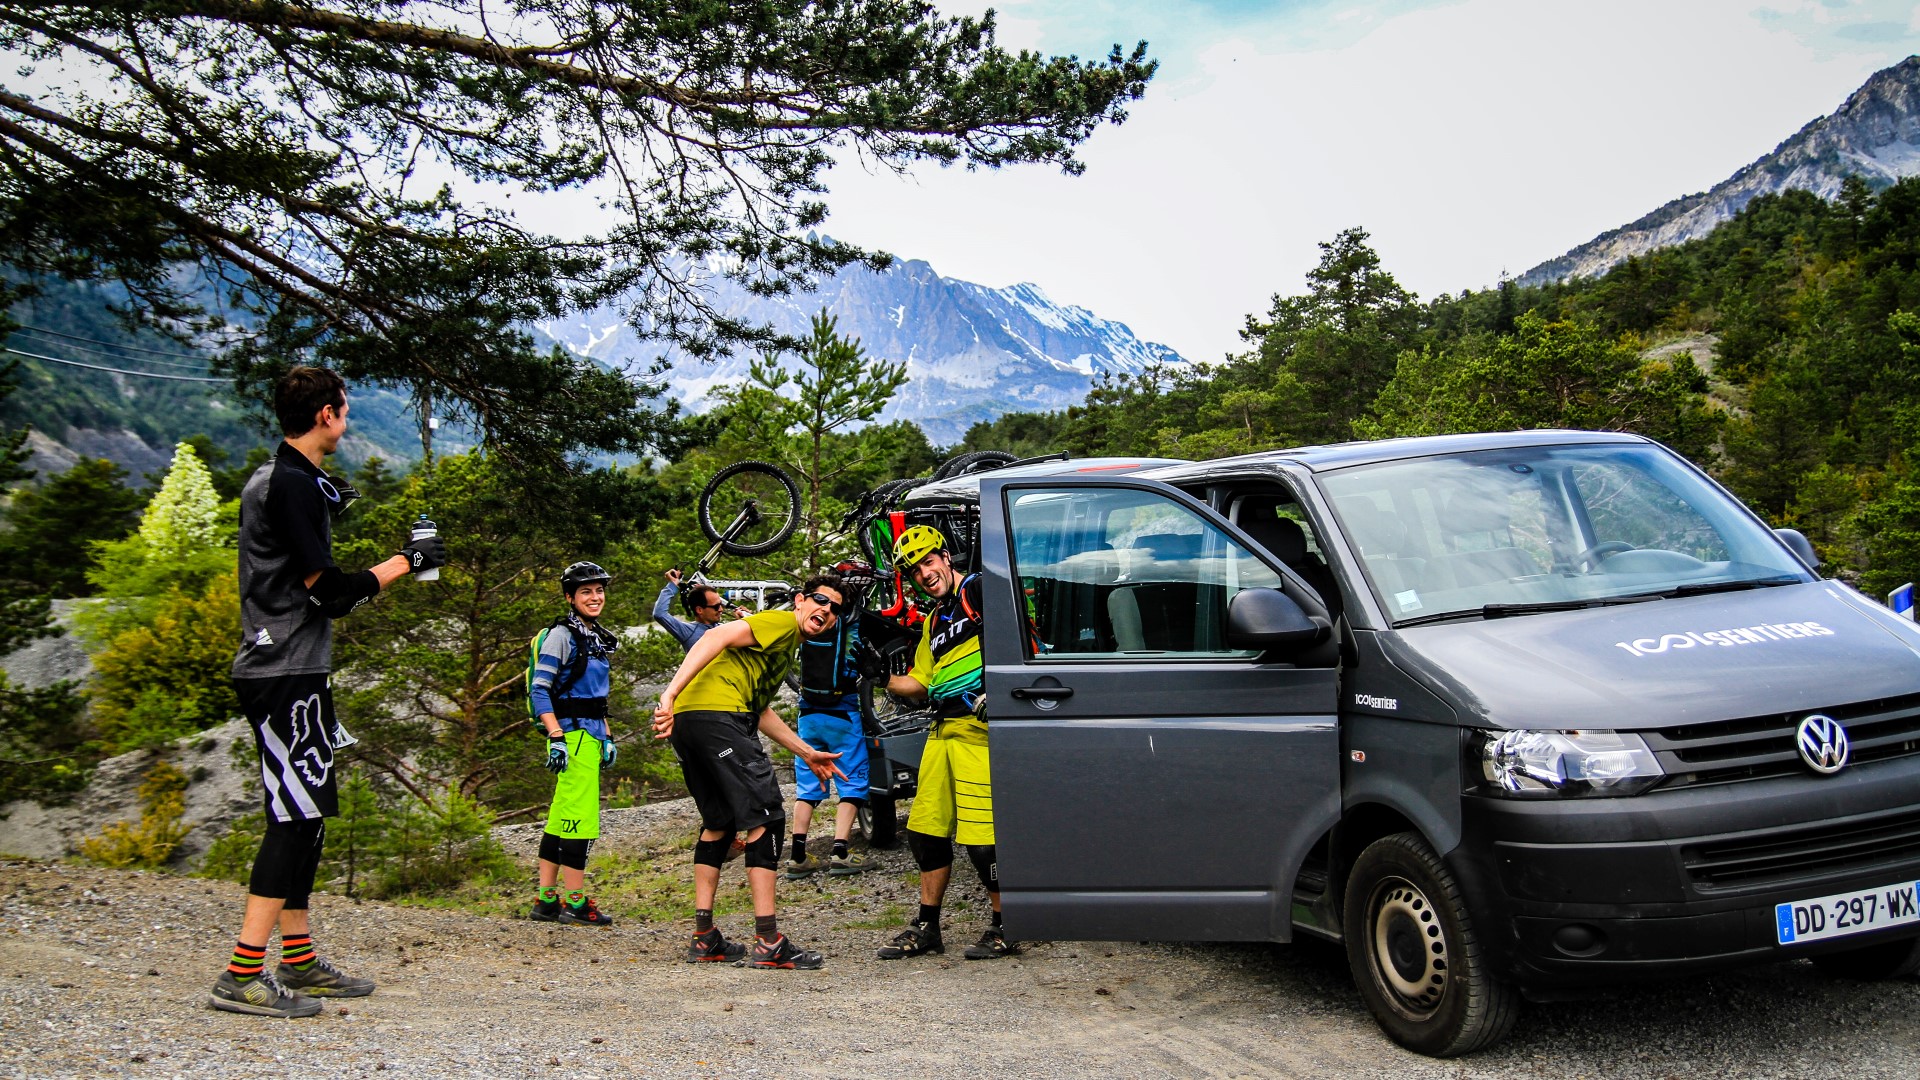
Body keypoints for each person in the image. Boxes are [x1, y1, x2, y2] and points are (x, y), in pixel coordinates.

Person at [212, 365, 447, 1018]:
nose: (346, 420)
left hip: (295, 669)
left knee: (307, 816)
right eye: (344, 409)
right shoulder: (289, 484)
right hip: (279, 670)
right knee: (292, 818)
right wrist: (408, 563)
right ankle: (240, 975)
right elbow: (331, 594)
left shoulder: (289, 478)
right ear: (326, 415)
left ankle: (299, 959)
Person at [652, 574, 851, 970]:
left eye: (835, 609)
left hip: (695, 723)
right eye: (819, 600)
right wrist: (668, 694)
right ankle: (768, 940)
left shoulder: (781, 647)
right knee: (767, 816)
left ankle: (705, 937)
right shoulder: (778, 622)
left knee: (720, 822)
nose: (826, 611)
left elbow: (759, 710)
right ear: (799, 601)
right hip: (716, 717)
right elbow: (714, 637)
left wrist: (807, 752)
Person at [877, 525, 1015, 962]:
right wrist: (880, 677)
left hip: (980, 732)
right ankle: (927, 928)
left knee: (982, 840)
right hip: (942, 730)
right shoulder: (934, 621)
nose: (924, 573)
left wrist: (1001, 687)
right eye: (915, 571)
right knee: (924, 833)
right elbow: (919, 682)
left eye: (928, 562)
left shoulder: (978, 588)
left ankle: (1005, 926)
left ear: (945, 558)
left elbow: (1017, 628)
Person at [783, 583, 903, 879]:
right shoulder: (853, 620)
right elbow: (894, 632)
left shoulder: (808, 619)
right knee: (852, 783)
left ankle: (798, 856)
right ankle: (840, 852)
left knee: (808, 786)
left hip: (808, 715)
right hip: (843, 715)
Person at [527, 561, 622, 927]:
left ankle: (547, 900)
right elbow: (541, 690)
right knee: (579, 823)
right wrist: (556, 738)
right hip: (572, 738)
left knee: (559, 819)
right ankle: (576, 902)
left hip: (590, 735)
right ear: (570, 597)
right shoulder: (562, 636)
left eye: (599, 590)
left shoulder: (592, 635)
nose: (595, 597)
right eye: (586, 591)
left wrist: (607, 735)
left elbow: (594, 698)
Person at [653, 568, 747, 651]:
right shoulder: (688, 632)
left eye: (721, 605)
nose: (721, 609)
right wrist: (672, 585)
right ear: (699, 610)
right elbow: (659, 614)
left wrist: (745, 621)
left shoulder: (724, 628)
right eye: (716, 606)